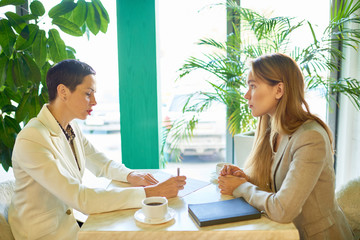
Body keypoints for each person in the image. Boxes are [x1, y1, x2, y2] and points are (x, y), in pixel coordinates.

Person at [8, 59, 186, 240]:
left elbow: (101, 162)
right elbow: (81, 198)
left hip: (70, 228)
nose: (94, 102)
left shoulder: (71, 127)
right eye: (88, 94)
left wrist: (130, 175)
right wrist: (152, 193)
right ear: (63, 92)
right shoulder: (32, 139)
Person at [218, 53, 354, 240]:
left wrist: (241, 187)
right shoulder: (273, 128)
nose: (246, 94)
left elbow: (282, 209)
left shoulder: (310, 137)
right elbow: (279, 185)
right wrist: (246, 178)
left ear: (279, 90)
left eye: (253, 86)